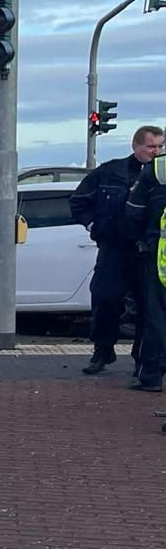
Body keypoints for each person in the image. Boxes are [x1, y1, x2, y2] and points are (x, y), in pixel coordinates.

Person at [73, 125, 163, 377]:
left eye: (159, 147)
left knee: (148, 309)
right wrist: (94, 226)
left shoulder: (161, 174)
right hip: (114, 248)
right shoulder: (110, 171)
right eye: (150, 147)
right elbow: (79, 201)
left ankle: (142, 362)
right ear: (135, 146)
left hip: (148, 252)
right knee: (104, 298)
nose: (155, 152)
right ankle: (103, 350)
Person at [122, 127, 166, 392]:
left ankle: (151, 375)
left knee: (156, 317)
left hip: (157, 257)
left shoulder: (157, 170)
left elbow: (133, 211)